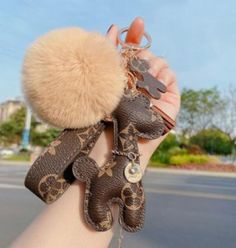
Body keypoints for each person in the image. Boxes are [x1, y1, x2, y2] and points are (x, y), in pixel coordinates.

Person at [10, 17, 180, 248]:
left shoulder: (138, 114)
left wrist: (142, 139)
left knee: (114, 201)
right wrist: (103, 93)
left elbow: (147, 125)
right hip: (110, 174)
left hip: (114, 170)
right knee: (105, 202)